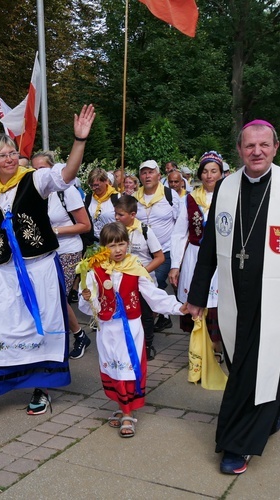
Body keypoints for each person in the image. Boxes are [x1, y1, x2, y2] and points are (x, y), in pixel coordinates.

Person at [186, 120, 280, 475]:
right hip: (235, 298)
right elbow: (211, 247)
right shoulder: (226, 188)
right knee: (250, 370)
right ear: (240, 150)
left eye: (264, 145)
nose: (256, 151)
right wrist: (197, 295)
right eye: (249, 146)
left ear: (275, 147)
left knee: (260, 372)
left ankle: (237, 443)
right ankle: (269, 412)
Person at [0, 104, 96, 426]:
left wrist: (79, 140)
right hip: (2, 273)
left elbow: (67, 174)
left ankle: (40, 389)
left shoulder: (36, 179)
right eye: (2, 155)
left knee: (38, 328)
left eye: (13, 152)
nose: (9, 158)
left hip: (38, 269)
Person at [79, 222, 185, 437]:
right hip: (108, 329)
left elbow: (154, 297)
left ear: (128, 244)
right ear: (103, 247)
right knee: (114, 367)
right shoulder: (96, 270)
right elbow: (90, 304)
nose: (117, 250)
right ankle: (122, 406)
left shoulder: (136, 268)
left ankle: (128, 413)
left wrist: (178, 306)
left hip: (131, 327)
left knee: (128, 367)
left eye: (121, 244)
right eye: (112, 245)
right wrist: (88, 298)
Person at [32, 150, 92, 359]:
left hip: (68, 250)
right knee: (50, 298)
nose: (38, 173)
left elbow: (85, 225)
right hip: (46, 252)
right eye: (34, 169)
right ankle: (74, 335)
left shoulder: (65, 191)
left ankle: (75, 336)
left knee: (56, 298)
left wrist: (55, 231)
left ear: (52, 168)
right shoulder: (36, 193)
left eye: (42, 168)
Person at [169, 151, 225, 363]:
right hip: (195, 255)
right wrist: (175, 265)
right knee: (196, 302)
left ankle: (216, 347)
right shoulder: (190, 199)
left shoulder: (230, 197)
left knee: (217, 305)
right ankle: (197, 348)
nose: (209, 176)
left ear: (221, 174)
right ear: (200, 175)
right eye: (205, 172)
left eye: (214, 171)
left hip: (221, 258)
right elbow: (179, 233)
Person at [113, 195, 165, 360]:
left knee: (145, 314)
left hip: (142, 280)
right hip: (121, 281)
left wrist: (142, 271)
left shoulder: (144, 230)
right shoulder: (114, 231)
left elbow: (159, 257)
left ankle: (147, 345)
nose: (116, 217)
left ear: (133, 214)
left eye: (121, 214)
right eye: (116, 214)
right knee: (124, 313)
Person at [135, 159, 180, 332]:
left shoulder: (170, 195)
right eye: (144, 172)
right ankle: (162, 317)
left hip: (164, 251)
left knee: (154, 286)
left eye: (151, 172)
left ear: (158, 175)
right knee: (146, 289)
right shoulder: (134, 197)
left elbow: (179, 225)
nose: (147, 176)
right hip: (142, 253)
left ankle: (146, 333)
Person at [86, 167, 118, 241]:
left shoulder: (117, 198)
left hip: (112, 241)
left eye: (96, 185)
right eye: (91, 185)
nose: (94, 188)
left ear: (106, 181)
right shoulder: (88, 199)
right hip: (93, 242)